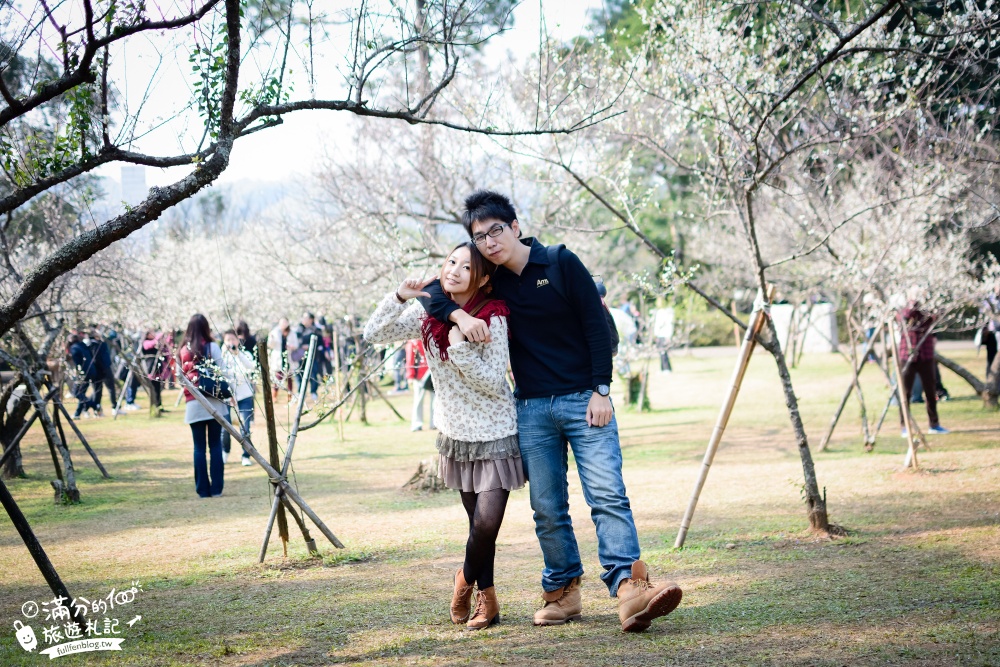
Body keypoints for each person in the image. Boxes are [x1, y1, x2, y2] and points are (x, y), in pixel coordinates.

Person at [424, 190, 682, 633]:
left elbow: (598, 329)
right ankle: (562, 591)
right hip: (530, 409)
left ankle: (629, 589)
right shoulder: (493, 282)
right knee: (547, 507)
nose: (488, 242)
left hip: (585, 400)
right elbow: (434, 291)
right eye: (479, 236)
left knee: (606, 494)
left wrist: (601, 389)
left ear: (515, 227)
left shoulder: (561, 262)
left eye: (496, 230)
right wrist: (459, 317)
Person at [364, 242, 523, 630]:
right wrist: (400, 295)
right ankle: (489, 599)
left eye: (466, 267)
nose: (453, 270)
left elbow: (491, 380)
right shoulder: (426, 313)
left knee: (486, 526)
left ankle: (464, 581)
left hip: (496, 432)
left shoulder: (493, 317)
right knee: (477, 529)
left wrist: (461, 349)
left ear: (483, 278)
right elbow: (374, 333)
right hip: (455, 434)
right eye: (451, 262)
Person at [179, 314, 227, 498]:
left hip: (194, 403)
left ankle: (202, 490)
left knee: (198, 448)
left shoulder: (184, 350)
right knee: (215, 446)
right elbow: (221, 371)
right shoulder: (212, 347)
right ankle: (216, 489)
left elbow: (179, 375)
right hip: (213, 401)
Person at [897, 301, 949, 436]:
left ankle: (934, 424)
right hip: (907, 353)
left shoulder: (929, 306)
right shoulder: (902, 306)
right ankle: (905, 426)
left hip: (926, 354)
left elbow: (938, 316)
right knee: (905, 392)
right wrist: (913, 302)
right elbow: (905, 316)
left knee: (931, 391)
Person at [221, 329, 256, 467]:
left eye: (233, 339)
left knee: (245, 428)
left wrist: (238, 354)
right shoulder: (222, 357)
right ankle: (225, 452)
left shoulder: (244, 354)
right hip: (228, 398)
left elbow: (251, 367)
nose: (231, 342)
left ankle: (246, 455)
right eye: (228, 340)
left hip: (245, 396)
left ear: (238, 340)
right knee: (225, 428)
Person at [406, 338, 435, 431]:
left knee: (434, 400)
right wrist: (410, 375)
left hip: (432, 374)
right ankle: (417, 423)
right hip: (419, 375)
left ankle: (434, 422)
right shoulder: (413, 342)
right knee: (418, 400)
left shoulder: (430, 339)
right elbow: (410, 359)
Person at [68, 333, 99, 418]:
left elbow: (77, 363)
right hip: (91, 370)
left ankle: (94, 405)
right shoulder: (83, 345)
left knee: (76, 393)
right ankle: (77, 414)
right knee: (82, 393)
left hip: (83, 373)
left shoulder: (74, 348)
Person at [267, 318, 297, 401]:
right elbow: (270, 345)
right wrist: (271, 338)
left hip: (288, 357)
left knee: (289, 378)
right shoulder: (275, 332)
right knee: (278, 377)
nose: (284, 324)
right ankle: (274, 395)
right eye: (282, 322)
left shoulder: (292, 332)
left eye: (285, 322)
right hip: (278, 358)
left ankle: (290, 396)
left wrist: (291, 346)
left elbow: (296, 344)